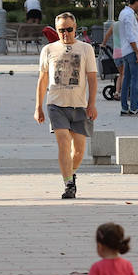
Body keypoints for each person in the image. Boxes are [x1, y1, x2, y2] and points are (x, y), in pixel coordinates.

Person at [34, 12, 98, 199]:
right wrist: (38, 106)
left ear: (75, 28)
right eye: (61, 30)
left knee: (78, 151)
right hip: (56, 104)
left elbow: (92, 79)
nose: (66, 34)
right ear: (57, 30)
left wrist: (92, 104)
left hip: (79, 105)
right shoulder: (48, 50)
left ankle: (71, 173)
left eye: (69, 29)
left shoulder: (86, 49)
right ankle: (68, 184)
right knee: (63, 142)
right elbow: (42, 79)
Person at [116, 0, 138, 116]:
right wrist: (137, 53)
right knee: (135, 80)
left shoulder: (124, 13)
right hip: (132, 51)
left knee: (127, 80)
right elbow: (130, 35)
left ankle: (124, 107)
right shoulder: (128, 15)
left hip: (126, 51)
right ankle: (134, 107)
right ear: (136, 2)